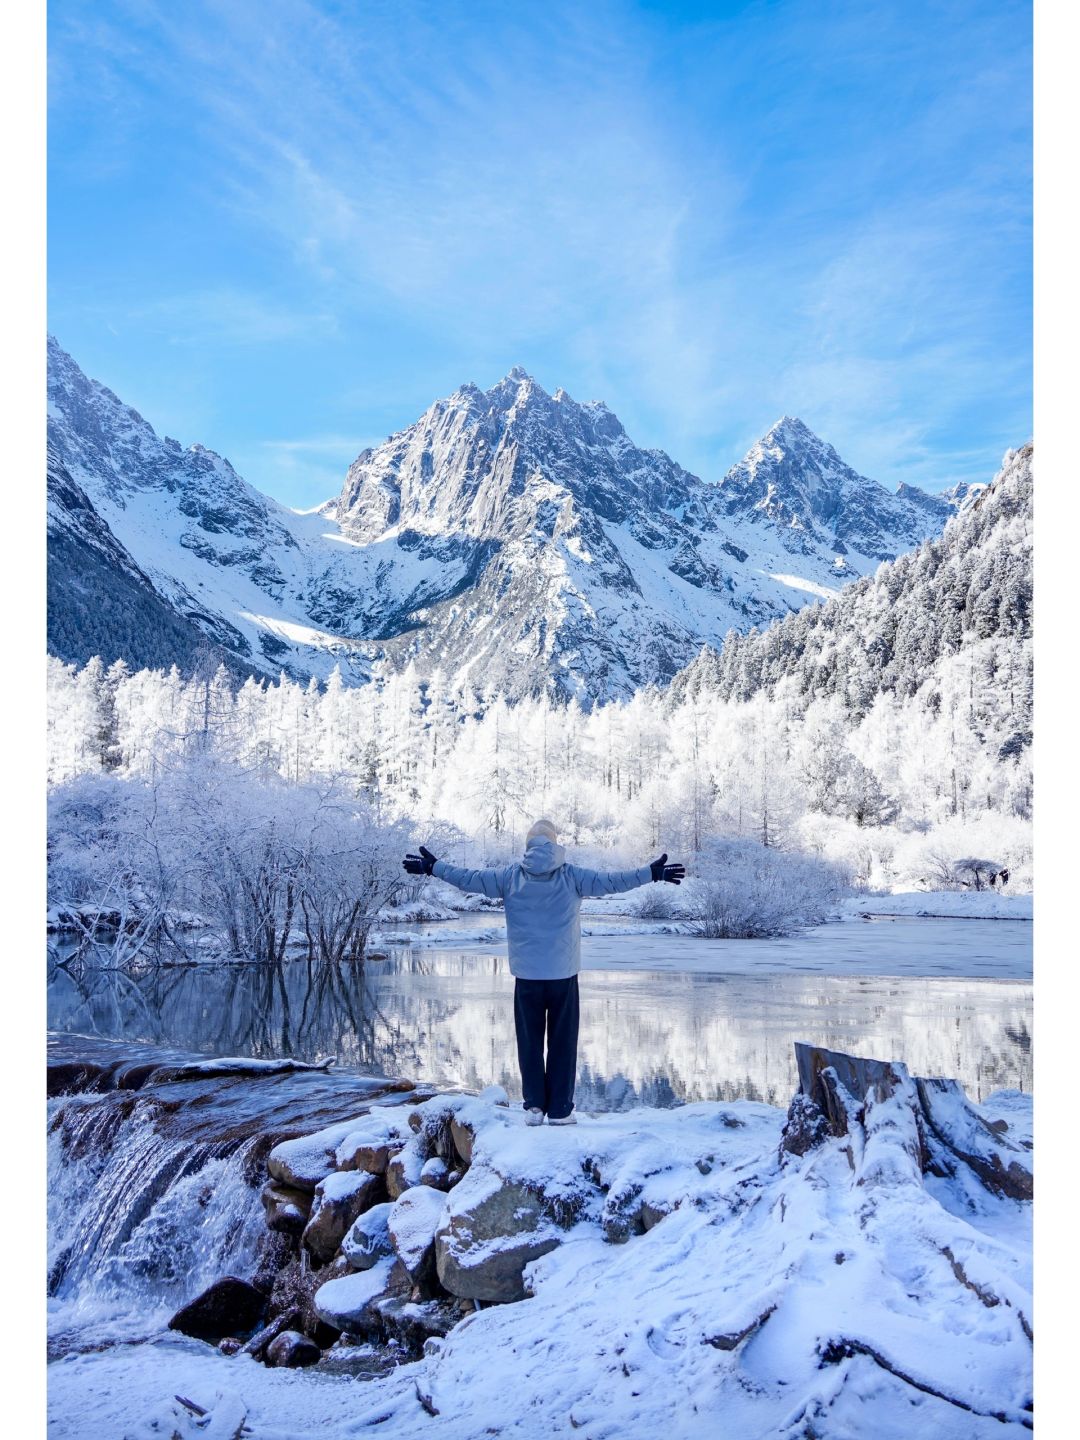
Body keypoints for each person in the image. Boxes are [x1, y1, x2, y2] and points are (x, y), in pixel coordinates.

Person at [403, 820, 684, 1126]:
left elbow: (468, 879)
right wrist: (652, 873)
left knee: (530, 1042)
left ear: (528, 846)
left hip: (527, 975)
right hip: (562, 975)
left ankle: (534, 1107)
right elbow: (613, 881)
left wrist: (434, 868)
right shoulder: (572, 875)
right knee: (563, 1042)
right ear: (555, 844)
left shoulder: (510, 876)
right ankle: (561, 1110)